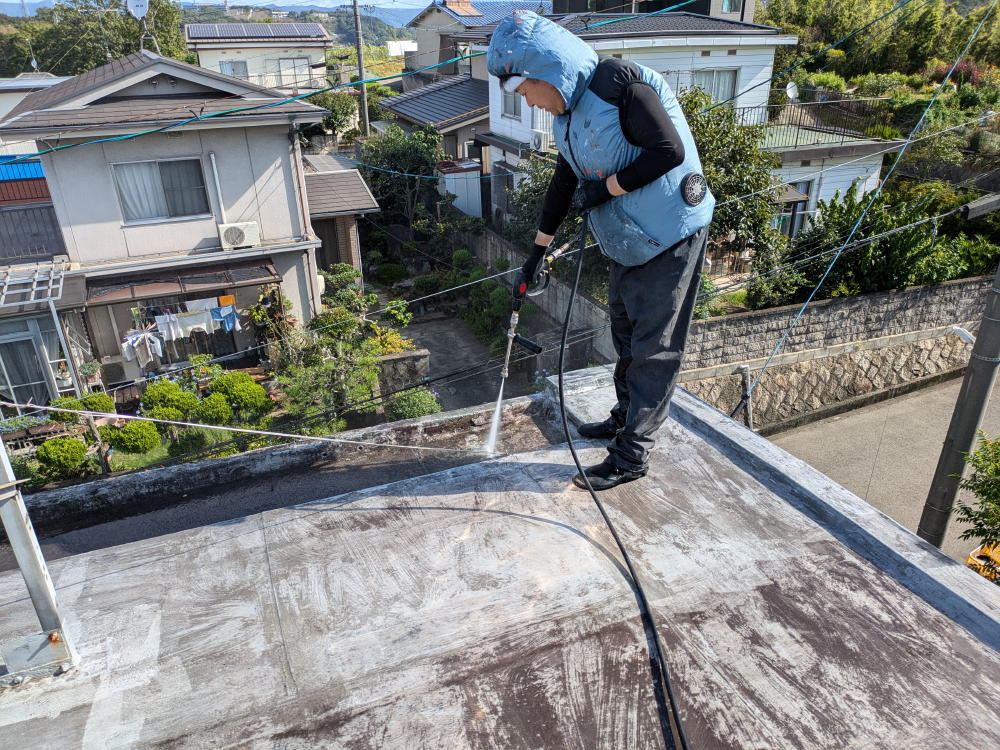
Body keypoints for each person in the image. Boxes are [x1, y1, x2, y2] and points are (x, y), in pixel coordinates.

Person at [487, 12, 715, 491]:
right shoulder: (567, 118)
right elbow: (564, 182)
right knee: (625, 334)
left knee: (655, 349)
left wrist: (608, 188)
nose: (526, 99)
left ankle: (631, 455)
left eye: (523, 88)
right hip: (628, 239)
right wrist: (536, 253)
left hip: (671, 232)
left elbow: (667, 150)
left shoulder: (619, 85)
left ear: (547, 69)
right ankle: (623, 417)